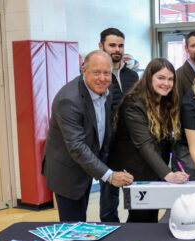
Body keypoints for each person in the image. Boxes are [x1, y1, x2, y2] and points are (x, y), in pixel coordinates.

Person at [41, 50, 133, 222]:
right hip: (67, 172)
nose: (102, 78)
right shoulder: (68, 101)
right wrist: (109, 175)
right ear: (84, 71)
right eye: (96, 72)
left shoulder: (107, 90)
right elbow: (76, 146)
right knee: (74, 227)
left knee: (81, 222)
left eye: (106, 73)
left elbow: (103, 130)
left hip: (85, 167)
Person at [109, 58, 188, 222]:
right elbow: (144, 144)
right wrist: (168, 174)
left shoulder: (166, 101)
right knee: (140, 217)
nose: (166, 83)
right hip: (135, 168)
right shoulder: (134, 104)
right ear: (149, 78)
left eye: (170, 79)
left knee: (151, 215)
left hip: (153, 166)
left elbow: (168, 140)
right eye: (161, 78)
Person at [98, 27, 140, 223]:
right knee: (108, 201)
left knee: (136, 197)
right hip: (107, 148)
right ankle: (109, 238)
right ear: (101, 46)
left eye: (120, 45)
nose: (117, 49)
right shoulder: (99, 78)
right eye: (112, 45)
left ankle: (134, 231)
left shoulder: (132, 77)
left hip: (131, 146)